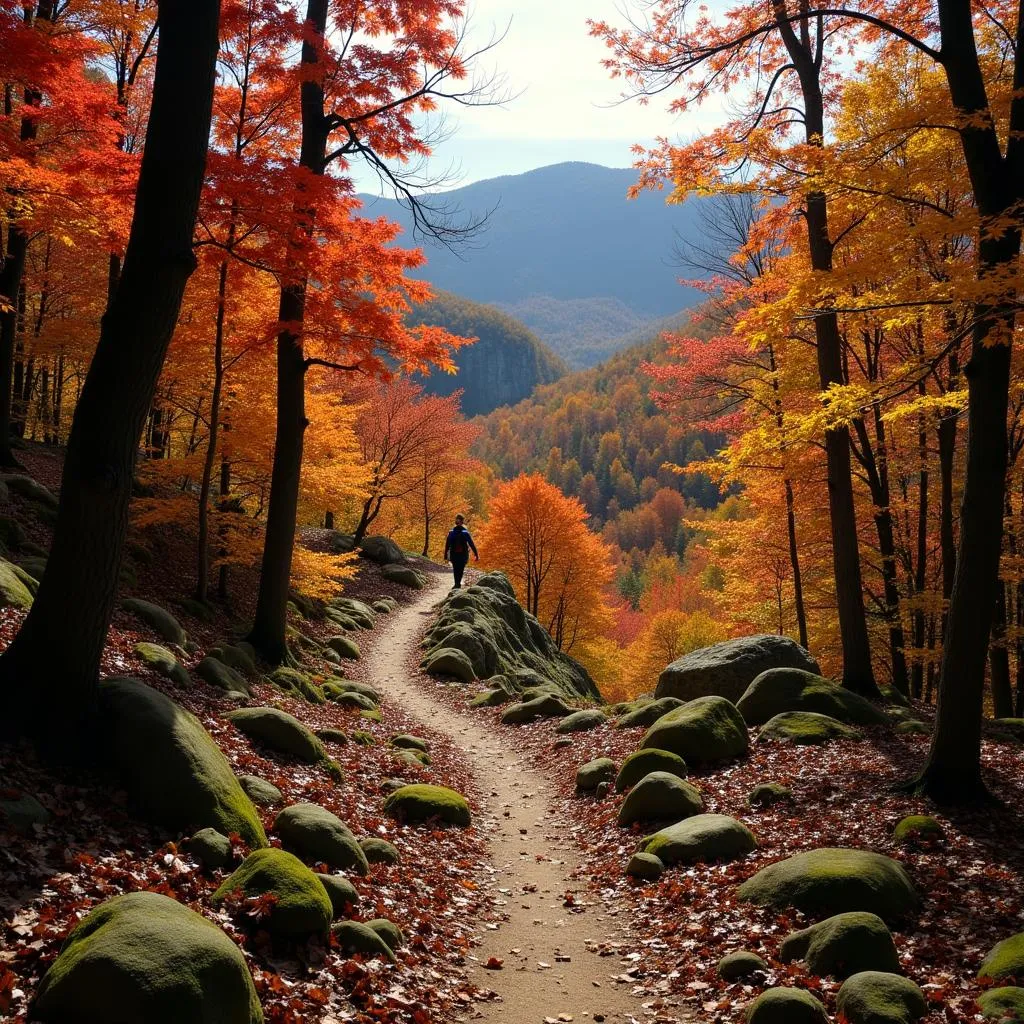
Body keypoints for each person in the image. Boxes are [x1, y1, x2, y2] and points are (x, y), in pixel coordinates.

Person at [443, 514, 478, 589]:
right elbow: (471, 544)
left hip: (454, 554)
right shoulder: (465, 532)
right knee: (460, 569)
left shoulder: (451, 532)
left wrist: (445, 555)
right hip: (463, 554)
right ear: (462, 522)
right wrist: (476, 554)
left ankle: (457, 584)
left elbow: (447, 544)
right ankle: (457, 584)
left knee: (455, 569)